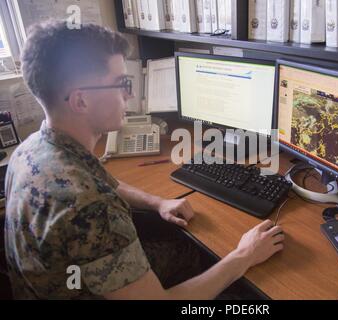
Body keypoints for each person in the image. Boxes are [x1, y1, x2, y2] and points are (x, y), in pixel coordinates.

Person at [4, 20, 284, 300]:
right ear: (81, 101)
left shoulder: (31, 151)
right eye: (121, 84)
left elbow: (103, 181)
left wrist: (157, 202)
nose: (131, 94)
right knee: (216, 267)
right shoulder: (90, 207)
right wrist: (244, 256)